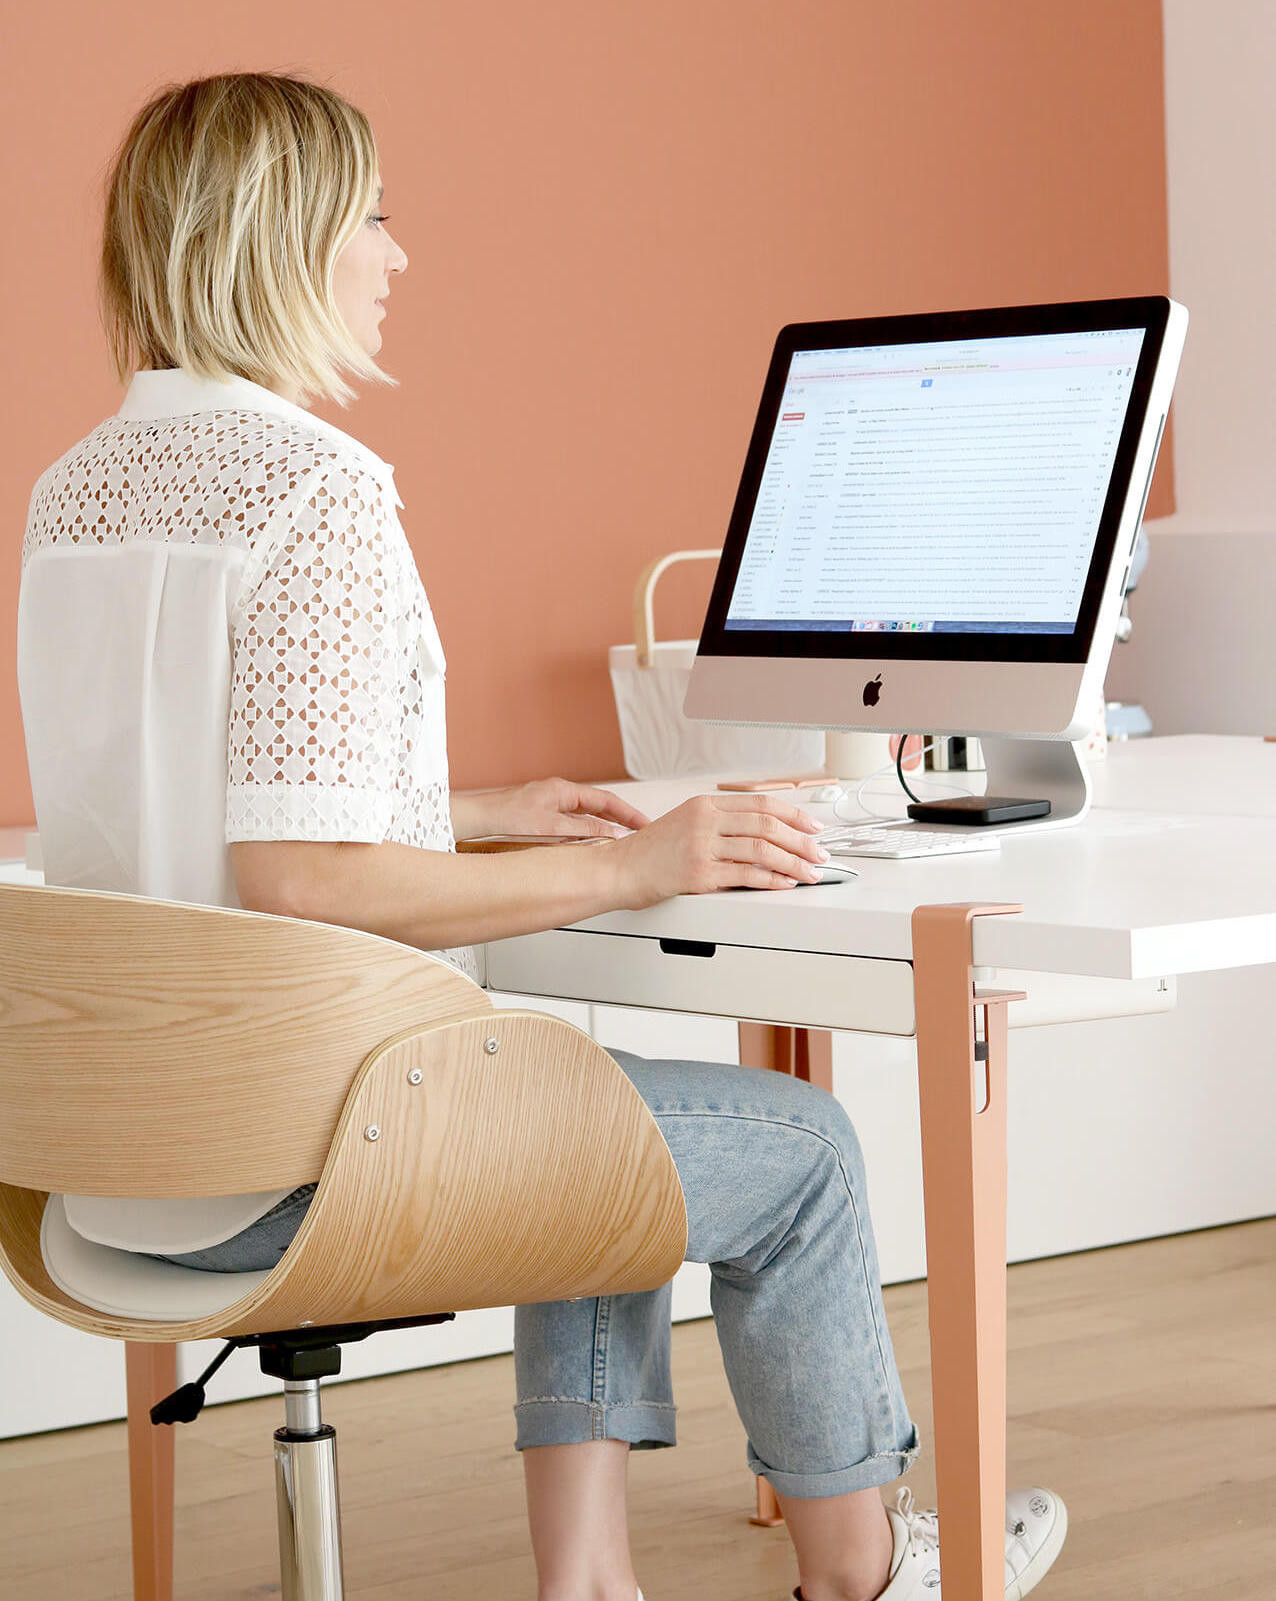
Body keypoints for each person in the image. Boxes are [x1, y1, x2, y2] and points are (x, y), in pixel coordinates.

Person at [16, 72, 1068, 1601]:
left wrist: (483, 814)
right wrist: (644, 860)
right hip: (298, 1165)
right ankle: (865, 1573)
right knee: (807, 1149)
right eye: (373, 216)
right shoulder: (318, 492)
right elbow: (298, 877)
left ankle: (588, 1581)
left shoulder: (74, 495)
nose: (396, 256)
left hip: (113, 1164)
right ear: (289, 236)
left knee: (574, 1101)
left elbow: (199, 811)